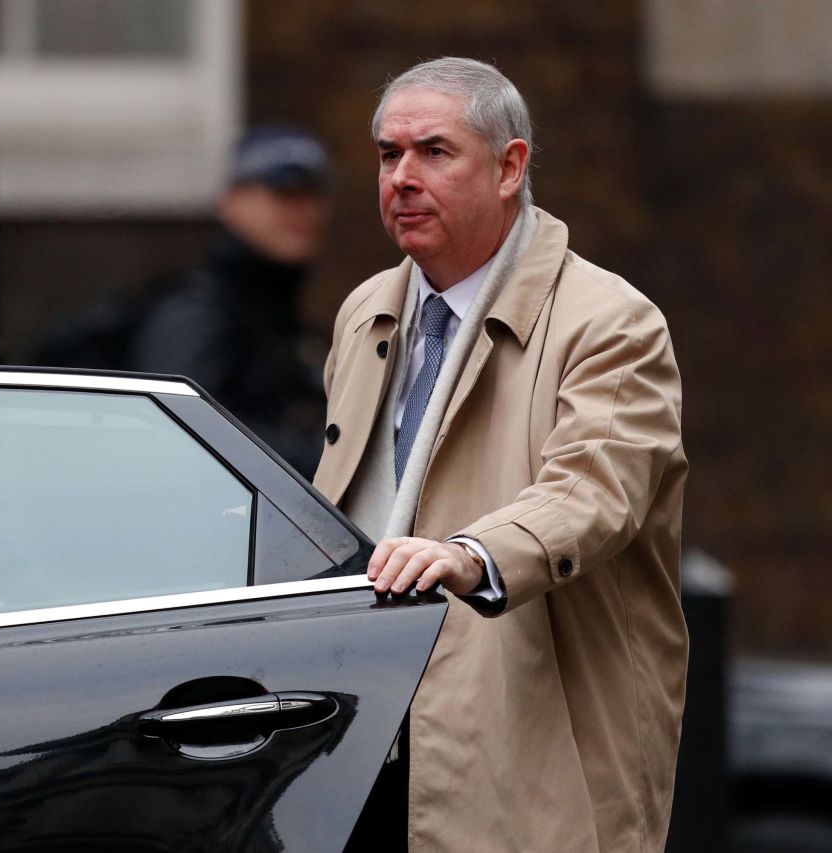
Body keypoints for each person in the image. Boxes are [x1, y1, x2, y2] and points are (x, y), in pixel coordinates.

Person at [314, 58, 688, 851]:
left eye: (434, 152)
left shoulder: (612, 322)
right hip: (361, 743)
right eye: (389, 155)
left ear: (510, 166)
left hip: (530, 749)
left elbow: (593, 494)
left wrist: (468, 554)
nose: (403, 177)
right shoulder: (365, 313)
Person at [129, 125, 330, 478]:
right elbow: (181, 431)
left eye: (310, 195)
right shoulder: (197, 312)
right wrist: (319, 461)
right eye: (282, 194)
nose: (301, 210)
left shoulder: (280, 312)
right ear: (232, 203)